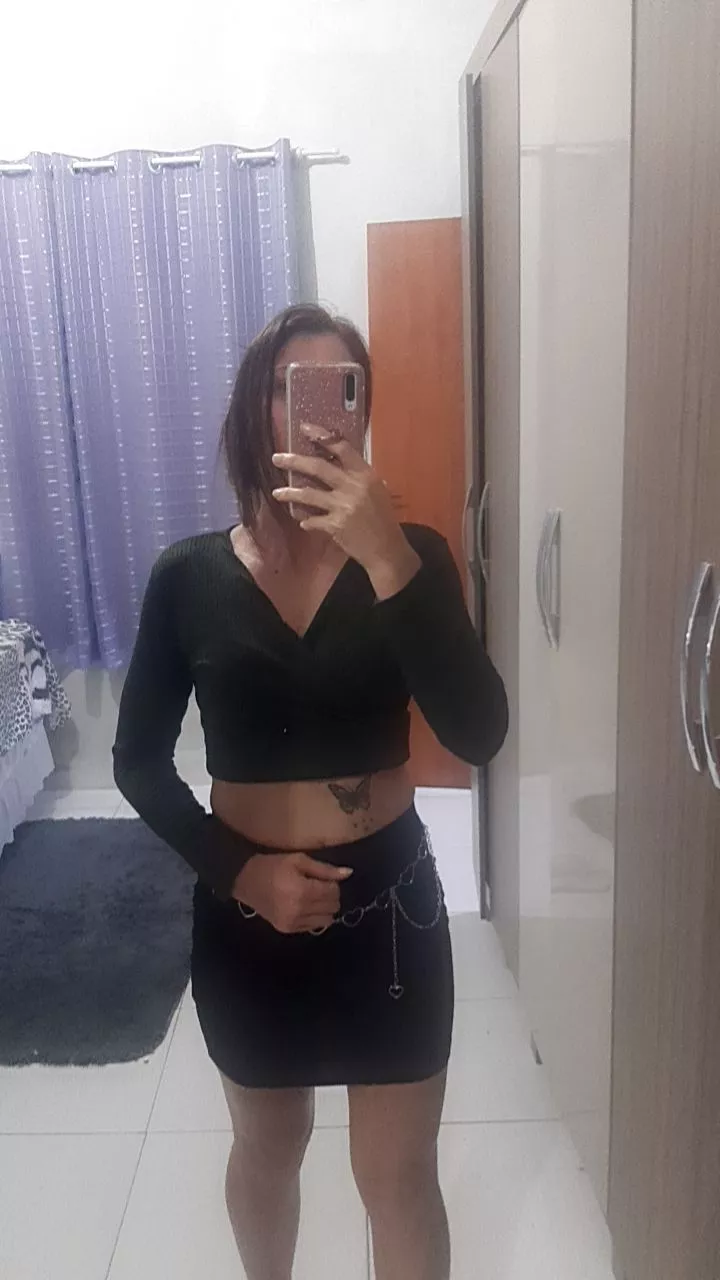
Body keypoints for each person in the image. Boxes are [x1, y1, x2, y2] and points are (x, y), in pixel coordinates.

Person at [113, 302, 508, 1280]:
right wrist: (240, 871)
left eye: (347, 391)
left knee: (396, 1175)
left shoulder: (412, 557)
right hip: (246, 911)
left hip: (391, 911)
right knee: (268, 1147)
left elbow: (479, 732)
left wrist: (388, 558)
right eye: (298, 390)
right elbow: (138, 761)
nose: (326, 415)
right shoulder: (188, 577)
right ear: (258, 411)